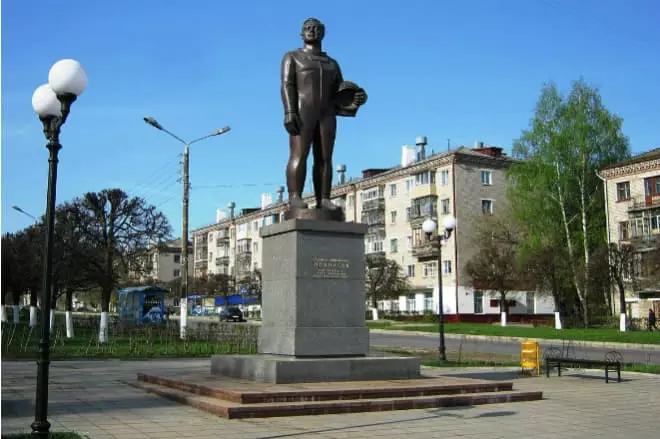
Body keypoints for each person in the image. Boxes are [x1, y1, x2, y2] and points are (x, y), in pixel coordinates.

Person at [281, 17, 367, 212]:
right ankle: (295, 197)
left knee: (325, 157)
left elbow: (340, 92)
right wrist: (290, 111)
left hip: (327, 113)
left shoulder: (332, 63)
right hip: (303, 111)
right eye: (307, 28)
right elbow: (287, 85)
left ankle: (324, 198)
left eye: (316, 28)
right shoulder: (292, 57)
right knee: (299, 154)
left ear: (323, 33)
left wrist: (355, 98)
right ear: (302, 34)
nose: (311, 31)